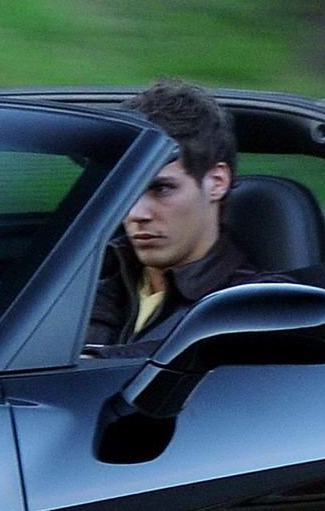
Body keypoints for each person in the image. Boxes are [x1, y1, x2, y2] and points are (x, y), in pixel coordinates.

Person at [84, 78, 271, 358]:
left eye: (161, 189)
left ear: (216, 182)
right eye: (125, 190)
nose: (135, 213)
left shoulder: (255, 307)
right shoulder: (87, 280)